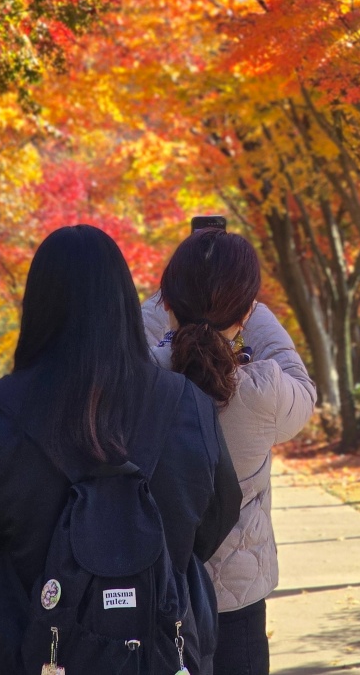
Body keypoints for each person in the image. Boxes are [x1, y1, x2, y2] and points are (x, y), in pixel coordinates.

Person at [0, 224, 242, 675]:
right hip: (162, 652)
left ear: (36, 306)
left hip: (31, 653)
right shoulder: (188, 404)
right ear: (124, 303)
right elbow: (215, 520)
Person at [143, 229, 316, 675]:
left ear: (169, 302)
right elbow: (303, 387)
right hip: (235, 598)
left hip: (149, 591)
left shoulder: (137, 381)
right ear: (245, 309)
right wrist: (252, 313)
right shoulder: (263, 390)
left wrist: (167, 297)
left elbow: (142, 335)